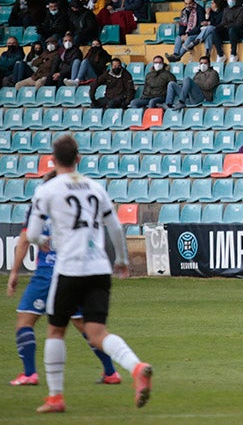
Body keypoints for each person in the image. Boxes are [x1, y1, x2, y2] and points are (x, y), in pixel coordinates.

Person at [24, 136, 152, 413]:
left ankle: (55, 398)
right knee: (97, 332)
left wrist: (40, 242)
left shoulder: (46, 190)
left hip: (69, 267)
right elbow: (115, 228)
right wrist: (121, 260)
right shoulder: (95, 187)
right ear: (78, 158)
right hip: (99, 268)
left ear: (53, 160)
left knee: (56, 330)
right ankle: (136, 366)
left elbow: (32, 233)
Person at [6, 195, 121, 386]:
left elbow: (25, 239)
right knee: (85, 325)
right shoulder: (74, 207)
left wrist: (14, 272)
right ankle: (111, 372)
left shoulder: (39, 206)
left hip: (47, 274)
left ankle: (29, 374)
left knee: (25, 320)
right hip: (72, 273)